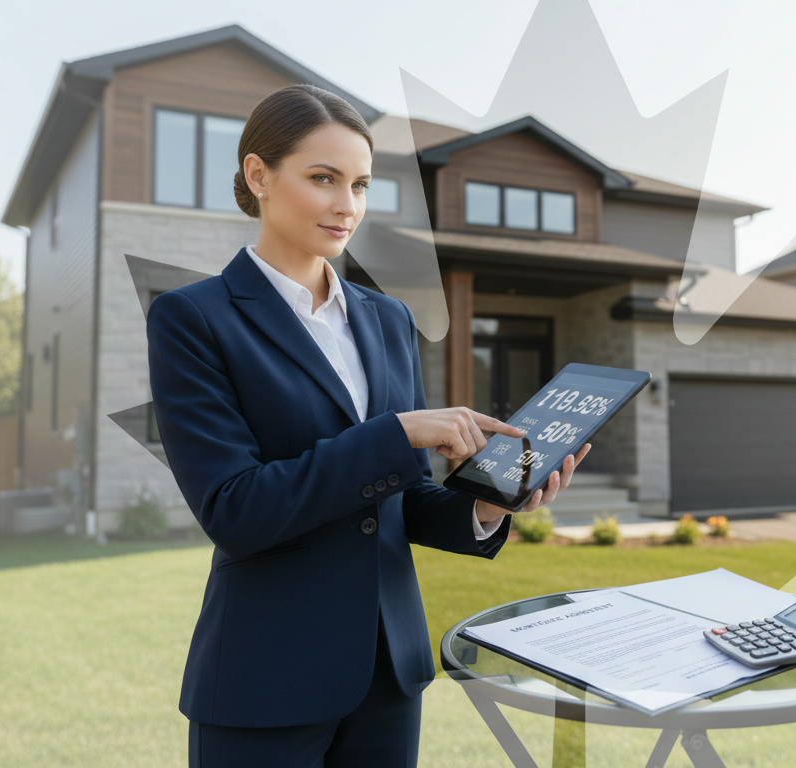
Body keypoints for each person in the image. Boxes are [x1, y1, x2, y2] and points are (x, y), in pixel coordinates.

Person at [145, 83, 590, 768]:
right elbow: (234, 508)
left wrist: (485, 505)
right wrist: (399, 433)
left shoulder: (387, 321)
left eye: (359, 184)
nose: (346, 205)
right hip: (264, 682)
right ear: (259, 175)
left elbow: (399, 499)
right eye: (323, 178)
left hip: (389, 676)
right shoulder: (193, 319)